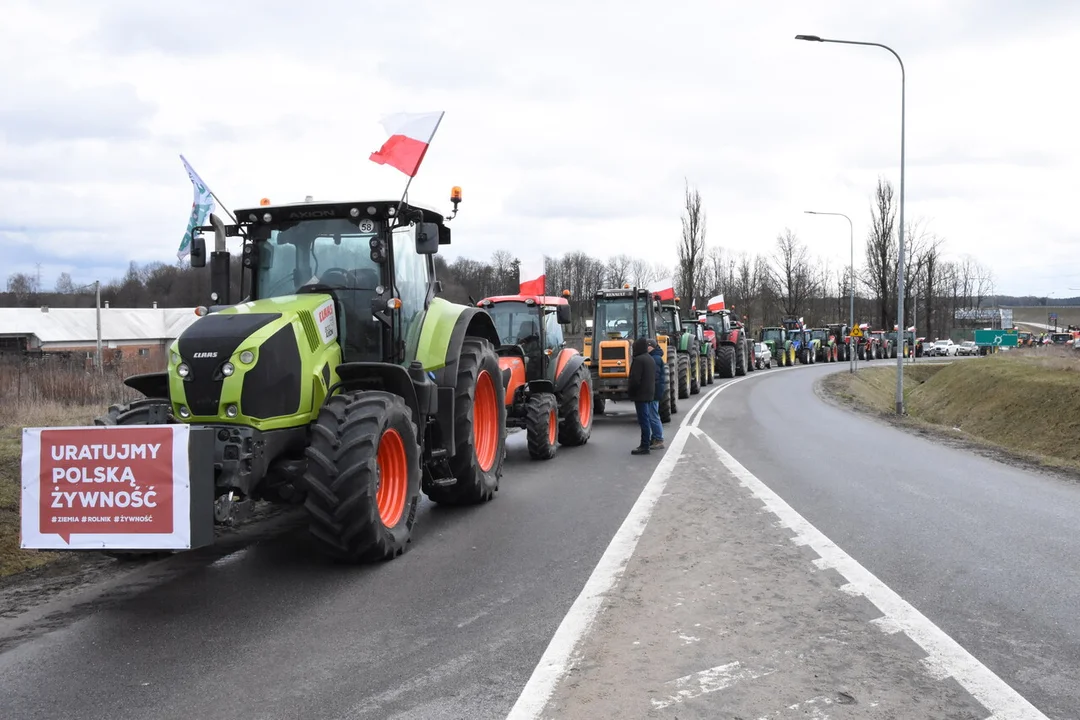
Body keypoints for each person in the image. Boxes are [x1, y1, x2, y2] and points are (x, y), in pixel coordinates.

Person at [628, 337, 655, 455]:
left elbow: (635, 379)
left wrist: (630, 391)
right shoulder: (650, 359)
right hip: (649, 394)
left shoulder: (638, 360)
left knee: (643, 421)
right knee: (647, 419)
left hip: (640, 395)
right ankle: (646, 443)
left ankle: (644, 446)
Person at [646, 338, 665, 449]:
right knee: (652, 415)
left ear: (652, 347)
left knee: (653, 416)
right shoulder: (654, 357)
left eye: (648, 346)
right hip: (654, 390)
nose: (647, 348)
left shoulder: (655, 359)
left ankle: (658, 439)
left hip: (654, 391)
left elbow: (655, 377)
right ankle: (655, 438)